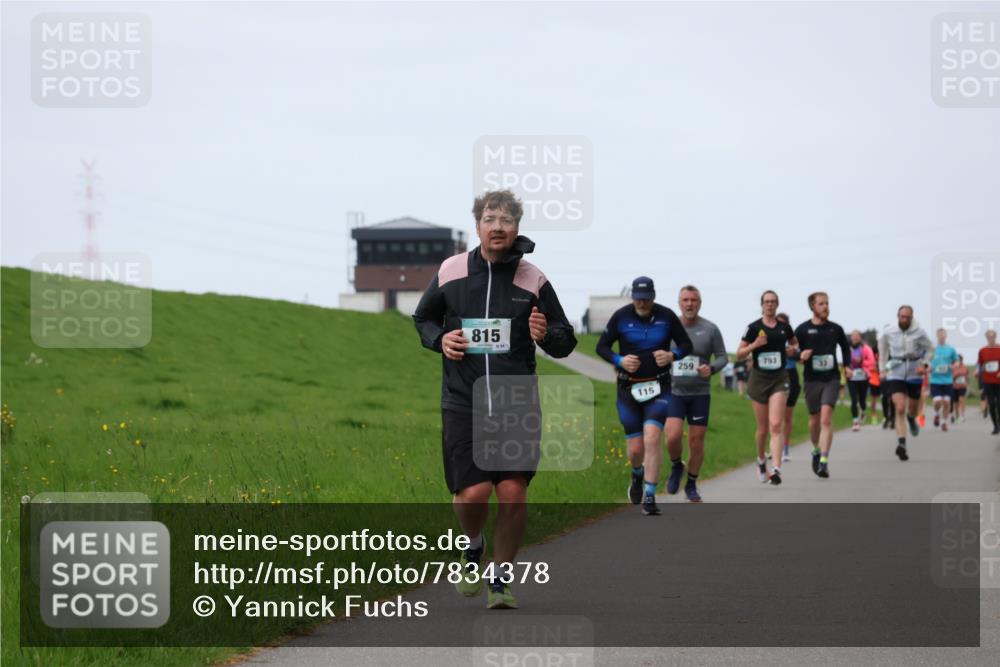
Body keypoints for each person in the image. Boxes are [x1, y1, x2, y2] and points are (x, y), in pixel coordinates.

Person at [412, 189, 577, 609]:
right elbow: (423, 317)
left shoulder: (532, 279)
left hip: (516, 400)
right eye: (490, 218)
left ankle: (500, 578)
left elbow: (565, 341)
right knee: (472, 494)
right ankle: (473, 545)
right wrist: (439, 338)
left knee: (512, 492)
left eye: (506, 219)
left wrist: (546, 335)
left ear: (517, 227)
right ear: (478, 226)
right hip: (463, 399)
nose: (498, 226)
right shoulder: (451, 271)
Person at [597, 276, 693, 515]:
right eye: (638, 299)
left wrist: (673, 356)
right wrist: (619, 359)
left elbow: (686, 345)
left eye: (646, 298)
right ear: (633, 297)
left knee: (652, 438)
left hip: (659, 388)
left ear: (653, 296)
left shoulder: (667, 316)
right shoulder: (621, 316)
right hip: (628, 389)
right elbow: (602, 347)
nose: (642, 303)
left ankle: (650, 496)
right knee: (636, 449)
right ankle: (637, 475)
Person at [665, 285, 728, 502]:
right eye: (685, 300)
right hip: (674, 391)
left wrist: (711, 368)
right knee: (672, 435)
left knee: (696, 441)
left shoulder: (710, 329)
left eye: (694, 300)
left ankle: (691, 484)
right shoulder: (669, 329)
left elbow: (722, 357)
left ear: (699, 303)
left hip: (700, 394)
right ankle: (676, 466)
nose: (689, 303)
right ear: (679, 303)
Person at [737, 290, 798, 485]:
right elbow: (739, 353)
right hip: (759, 380)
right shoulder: (753, 327)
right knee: (762, 429)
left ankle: (777, 469)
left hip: (779, 379)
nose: (770, 305)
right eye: (766, 302)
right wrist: (755, 344)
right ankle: (761, 459)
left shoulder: (784, 328)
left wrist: (792, 350)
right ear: (762, 305)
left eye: (773, 302)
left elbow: (795, 345)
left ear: (777, 304)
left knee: (775, 425)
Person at [794, 293, 851, 478]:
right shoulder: (802, 330)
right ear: (812, 306)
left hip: (831, 379)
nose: (825, 306)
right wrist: (799, 356)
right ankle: (817, 450)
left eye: (827, 303)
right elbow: (792, 350)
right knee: (814, 421)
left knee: (826, 419)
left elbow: (845, 347)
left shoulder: (835, 329)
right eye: (821, 304)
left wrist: (848, 366)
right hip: (812, 380)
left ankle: (824, 461)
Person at [878, 305, 933, 461]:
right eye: (902, 317)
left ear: (911, 317)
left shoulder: (919, 332)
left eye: (907, 317)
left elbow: (930, 349)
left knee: (912, 409)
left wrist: (925, 364)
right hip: (895, 371)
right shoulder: (889, 332)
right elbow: (882, 352)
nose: (904, 320)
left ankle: (912, 418)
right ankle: (901, 444)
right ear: (897, 316)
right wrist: (882, 370)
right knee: (900, 407)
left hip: (914, 372)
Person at [776, 312, 800, 462]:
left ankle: (785, 447)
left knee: (787, 416)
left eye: (783, 323)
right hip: (774, 376)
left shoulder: (792, 339)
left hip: (791, 375)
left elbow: (801, 356)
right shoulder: (768, 336)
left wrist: (793, 353)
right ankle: (774, 446)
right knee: (775, 416)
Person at [929, 328, 960, 431]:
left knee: (946, 403)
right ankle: (937, 414)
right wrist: (927, 367)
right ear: (937, 336)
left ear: (946, 336)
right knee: (937, 401)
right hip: (935, 380)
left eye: (943, 335)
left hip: (948, 380)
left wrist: (954, 366)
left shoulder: (950, 349)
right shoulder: (932, 349)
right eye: (940, 335)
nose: (942, 336)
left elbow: (957, 361)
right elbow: (925, 361)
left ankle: (944, 422)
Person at [846, 329, 876, 432]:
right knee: (854, 399)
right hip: (851, 377)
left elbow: (872, 362)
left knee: (862, 400)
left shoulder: (866, 348)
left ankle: (863, 410)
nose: (855, 337)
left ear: (860, 337)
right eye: (853, 335)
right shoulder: (847, 348)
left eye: (857, 335)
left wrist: (862, 361)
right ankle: (855, 422)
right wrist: (847, 367)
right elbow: (843, 360)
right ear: (851, 337)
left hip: (863, 377)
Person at [978, 329, 1000, 435]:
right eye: (988, 337)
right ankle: (995, 426)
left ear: (995, 337)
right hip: (988, 381)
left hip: (999, 380)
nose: (990, 339)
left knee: (999, 404)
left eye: (992, 337)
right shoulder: (982, 351)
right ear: (986, 338)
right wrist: (978, 374)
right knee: (991, 404)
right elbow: (980, 365)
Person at [952, 355, 969, 423]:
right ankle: (957, 415)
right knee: (956, 402)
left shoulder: (964, 367)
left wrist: (967, 383)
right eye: (958, 360)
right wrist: (956, 374)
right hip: (954, 386)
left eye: (960, 359)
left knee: (961, 399)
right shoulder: (953, 367)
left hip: (962, 386)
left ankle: (962, 415)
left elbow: (966, 375)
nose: (959, 361)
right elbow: (951, 376)